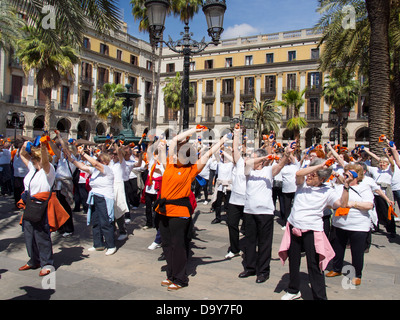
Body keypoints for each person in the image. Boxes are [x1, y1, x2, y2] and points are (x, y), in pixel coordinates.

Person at [155, 126, 229, 291]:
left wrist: (223, 141)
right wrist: (193, 130)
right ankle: (171, 274)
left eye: (181, 154)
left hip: (179, 213)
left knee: (178, 245)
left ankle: (180, 278)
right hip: (163, 211)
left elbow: (209, 153)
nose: (176, 155)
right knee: (166, 244)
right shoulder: (170, 164)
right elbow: (173, 140)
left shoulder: (191, 170)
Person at [278, 157, 342, 300]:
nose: (309, 176)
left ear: (322, 179)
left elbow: (339, 204)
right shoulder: (302, 184)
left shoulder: (328, 191)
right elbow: (299, 173)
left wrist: (347, 188)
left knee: (314, 265)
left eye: (314, 175)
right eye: (311, 172)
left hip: (312, 231)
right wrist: (318, 167)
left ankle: (319, 296)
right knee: (293, 260)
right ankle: (293, 289)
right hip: (294, 226)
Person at [238, 145, 292, 284]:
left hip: (265, 212)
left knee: (264, 243)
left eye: (254, 158)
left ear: (261, 162)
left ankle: (263, 271)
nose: (251, 160)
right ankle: (250, 267)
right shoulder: (249, 171)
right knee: (250, 241)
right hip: (249, 211)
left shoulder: (268, 171)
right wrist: (265, 157)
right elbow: (247, 163)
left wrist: (286, 155)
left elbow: (280, 165)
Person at [17, 139, 69, 276]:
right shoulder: (32, 168)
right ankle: (34, 260)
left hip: (41, 205)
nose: (32, 158)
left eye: (34, 157)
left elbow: (45, 162)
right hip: (29, 203)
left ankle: (46, 263)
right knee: (29, 234)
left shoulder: (49, 169)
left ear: (39, 157)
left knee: (41, 235)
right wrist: (24, 146)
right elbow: (22, 155)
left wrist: (44, 149)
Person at [327, 163, 375, 286]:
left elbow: (369, 205)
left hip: (358, 225)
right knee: (337, 249)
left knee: (357, 251)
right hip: (340, 223)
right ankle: (337, 269)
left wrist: (353, 204)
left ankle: (357, 274)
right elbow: (334, 203)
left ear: (357, 175)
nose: (347, 175)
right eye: (346, 172)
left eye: (351, 173)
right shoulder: (339, 187)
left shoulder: (364, 188)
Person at [68, 148, 116, 256]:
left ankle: (111, 245)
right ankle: (98, 244)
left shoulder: (107, 169)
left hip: (104, 198)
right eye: (98, 159)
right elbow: (82, 166)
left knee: (105, 222)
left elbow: (94, 163)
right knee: (95, 221)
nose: (98, 161)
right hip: (95, 197)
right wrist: (71, 159)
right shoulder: (95, 171)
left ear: (105, 162)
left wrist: (83, 153)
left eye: (100, 160)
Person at [225, 126, 246, 259]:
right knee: (232, 224)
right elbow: (234, 151)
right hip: (235, 200)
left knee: (250, 228)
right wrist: (236, 134)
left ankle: (250, 248)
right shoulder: (240, 163)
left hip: (249, 201)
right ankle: (234, 249)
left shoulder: (257, 166)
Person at [211, 148, 233, 224]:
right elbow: (215, 152)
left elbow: (233, 159)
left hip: (228, 186)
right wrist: (220, 149)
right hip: (220, 186)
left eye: (225, 157)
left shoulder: (231, 164)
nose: (224, 159)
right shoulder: (220, 163)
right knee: (218, 203)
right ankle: (217, 217)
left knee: (227, 204)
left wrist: (225, 152)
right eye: (223, 157)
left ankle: (228, 218)